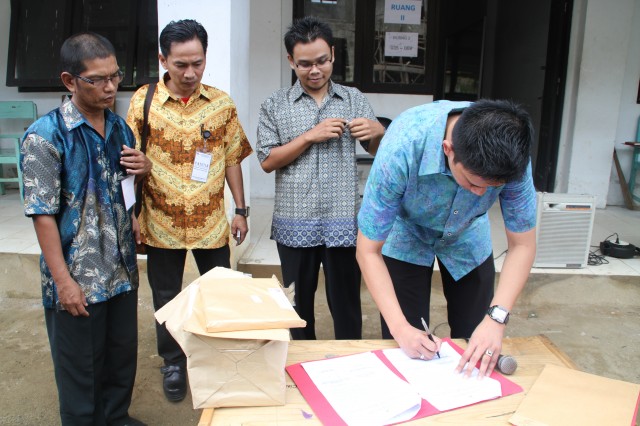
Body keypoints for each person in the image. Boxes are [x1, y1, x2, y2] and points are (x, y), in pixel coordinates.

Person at [20, 32, 150, 426]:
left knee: (120, 356)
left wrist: (142, 177)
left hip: (120, 270)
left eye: (115, 76)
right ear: (69, 80)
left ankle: (116, 418)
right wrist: (63, 282)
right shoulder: (45, 136)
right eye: (97, 79)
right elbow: (43, 214)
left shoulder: (121, 129)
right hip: (78, 275)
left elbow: (123, 188)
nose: (110, 87)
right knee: (80, 368)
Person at [356, 99, 537, 377]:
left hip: (468, 233)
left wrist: (496, 319)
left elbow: (522, 245)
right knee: (409, 343)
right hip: (407, 233)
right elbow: (368, 250)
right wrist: (400, 328)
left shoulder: (513, 158)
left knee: (478, 338)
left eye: (493, 188)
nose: (481, 194)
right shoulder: (401, 147)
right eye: (474, 183)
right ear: (448, 149)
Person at [126, 19, 253, 402]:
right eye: (180, 64)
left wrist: (241, 209)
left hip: (210, 221)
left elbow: (232, 158)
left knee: (219, 290)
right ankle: (173, 362)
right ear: (163, 59)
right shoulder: (143, 101)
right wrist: (131, 214)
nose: (190, 72)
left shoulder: (221, 104)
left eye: (197, 63)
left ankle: (218, 356)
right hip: (160, 220)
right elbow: (128, 162)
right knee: (166, 295)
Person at [256, 16, 386, 340]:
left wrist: (379, 132)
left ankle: (349, 362)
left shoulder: (353, 98)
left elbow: (377, 150)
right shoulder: (275, 105)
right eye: (305, 64)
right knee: (297, 308)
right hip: (294, 222)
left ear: (332, 55)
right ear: (291, 61)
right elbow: (267, 161)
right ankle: (302, 364)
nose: (315, 70)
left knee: (346, 305)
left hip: (343, 222)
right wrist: (309, 136)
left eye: (322, 61)